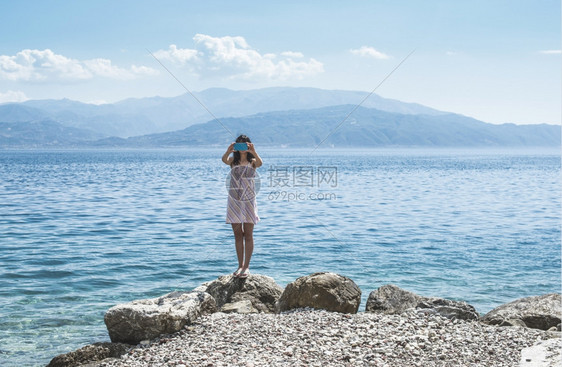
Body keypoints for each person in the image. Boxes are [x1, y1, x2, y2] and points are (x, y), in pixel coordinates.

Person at [222, 135, 263, 278]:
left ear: (249, 146)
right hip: (234, 200)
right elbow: (224, 160)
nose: (242, 148)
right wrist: (228, 151)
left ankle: (246, 267)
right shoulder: (233, 161)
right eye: (239, 145)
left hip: (249, 200)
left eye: (244, 145)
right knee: (238, 234)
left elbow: (260, 163)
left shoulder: (252, 162)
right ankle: (239, 266)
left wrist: (254, 151)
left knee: (248, 234)